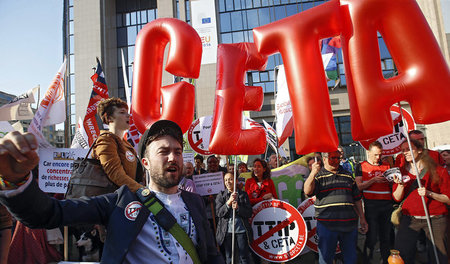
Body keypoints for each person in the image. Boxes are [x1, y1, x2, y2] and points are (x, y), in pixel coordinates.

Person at [0, 120, 224, 264]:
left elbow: (211, 256)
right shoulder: (120, 202)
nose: (173, 157)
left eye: (177, 151)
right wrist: (15, 180)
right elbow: (48, 213)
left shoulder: (194, 202)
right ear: (144, 162)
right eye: (163, 151)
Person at [303, 150, 368, 264]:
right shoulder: (318, 176)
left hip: (349, 225)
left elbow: (357, 199)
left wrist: (362, 218)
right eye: (332, 158)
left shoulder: (348, 175)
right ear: (324, 159)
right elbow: (307, 191)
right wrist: (313, 173)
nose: (336, 161)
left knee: (351, 259)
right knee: (326, 259)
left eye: (338, 158)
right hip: (327, 225)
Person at [393, 139, 450, 264]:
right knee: (401, 254)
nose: (405, 152)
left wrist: (430, 194)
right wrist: (400, 186)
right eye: (403, 150)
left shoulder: (438, 170)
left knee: (439, 256)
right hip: (410, 218)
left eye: (409, 149)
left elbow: (448, 198)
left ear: (419, 150)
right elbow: (396, 198)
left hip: (435, 218)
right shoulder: (400, 171)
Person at [94, 97, 143, 192]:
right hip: (111, 199)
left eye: (127, 112)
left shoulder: (126, 143)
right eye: (122, 112)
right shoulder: (106, 140)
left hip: (126, 195)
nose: (128, 115)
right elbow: (115, 173)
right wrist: (141, 190)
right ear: (109, 118)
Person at [354, 141, 392, 263]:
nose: (378, 157)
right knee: (372, 237)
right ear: (368, 152)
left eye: (380, 154)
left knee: (386, 237)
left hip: (387, 205)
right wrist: (373, 180)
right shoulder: (361, 166)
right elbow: (358, 186)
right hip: (371, 205)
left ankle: (385, 259)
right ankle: (367, 260)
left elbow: (393, 184)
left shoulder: (387, 165)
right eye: (375, 154)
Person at [216, 173, 253, 264]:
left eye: (230, 179)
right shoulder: (221, 195)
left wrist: (238, 208)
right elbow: (219, 213)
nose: (228, 182)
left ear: (236, 180)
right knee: (229, 257)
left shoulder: (243, 195)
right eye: (226, 180)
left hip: (241, 231)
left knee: (243, 256)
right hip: (227, 232)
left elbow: (249, 213)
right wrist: (228, 203)